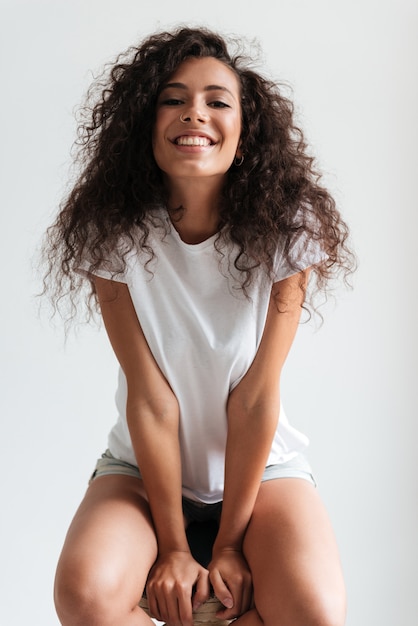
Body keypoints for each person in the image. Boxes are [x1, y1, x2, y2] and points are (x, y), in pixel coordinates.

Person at [42, 25, 354, 626]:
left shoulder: (291, 226)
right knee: (84, 598)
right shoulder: (112, 231)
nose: (195, 114)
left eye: (217, 100)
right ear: (145, 122)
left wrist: (231, 545)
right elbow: (152, 400)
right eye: (173, 98)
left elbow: (257, 396)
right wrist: (176, 547)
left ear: (246, 128)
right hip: (141, 471)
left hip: (264, 472)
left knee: (316, 612)